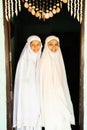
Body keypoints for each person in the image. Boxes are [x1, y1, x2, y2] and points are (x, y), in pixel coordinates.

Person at [40, 35, 75, 130]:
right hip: (49, 98)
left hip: (60, 95)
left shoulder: (59, 58)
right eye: (50, 44)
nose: (54, 47)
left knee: (62, 120)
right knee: (52, 121)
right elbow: (42, 83)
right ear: (46, 45)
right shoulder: (43, 61)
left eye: (56, 44)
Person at [13, 35, 42, 130]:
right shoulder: (23, 61)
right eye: (33, 45)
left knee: (36, 118)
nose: (36, 47)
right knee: (27, 118)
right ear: (28, 46)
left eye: (38, 44)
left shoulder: (40, 59)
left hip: (37, 95)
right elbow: (21, 84)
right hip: (26, 97)